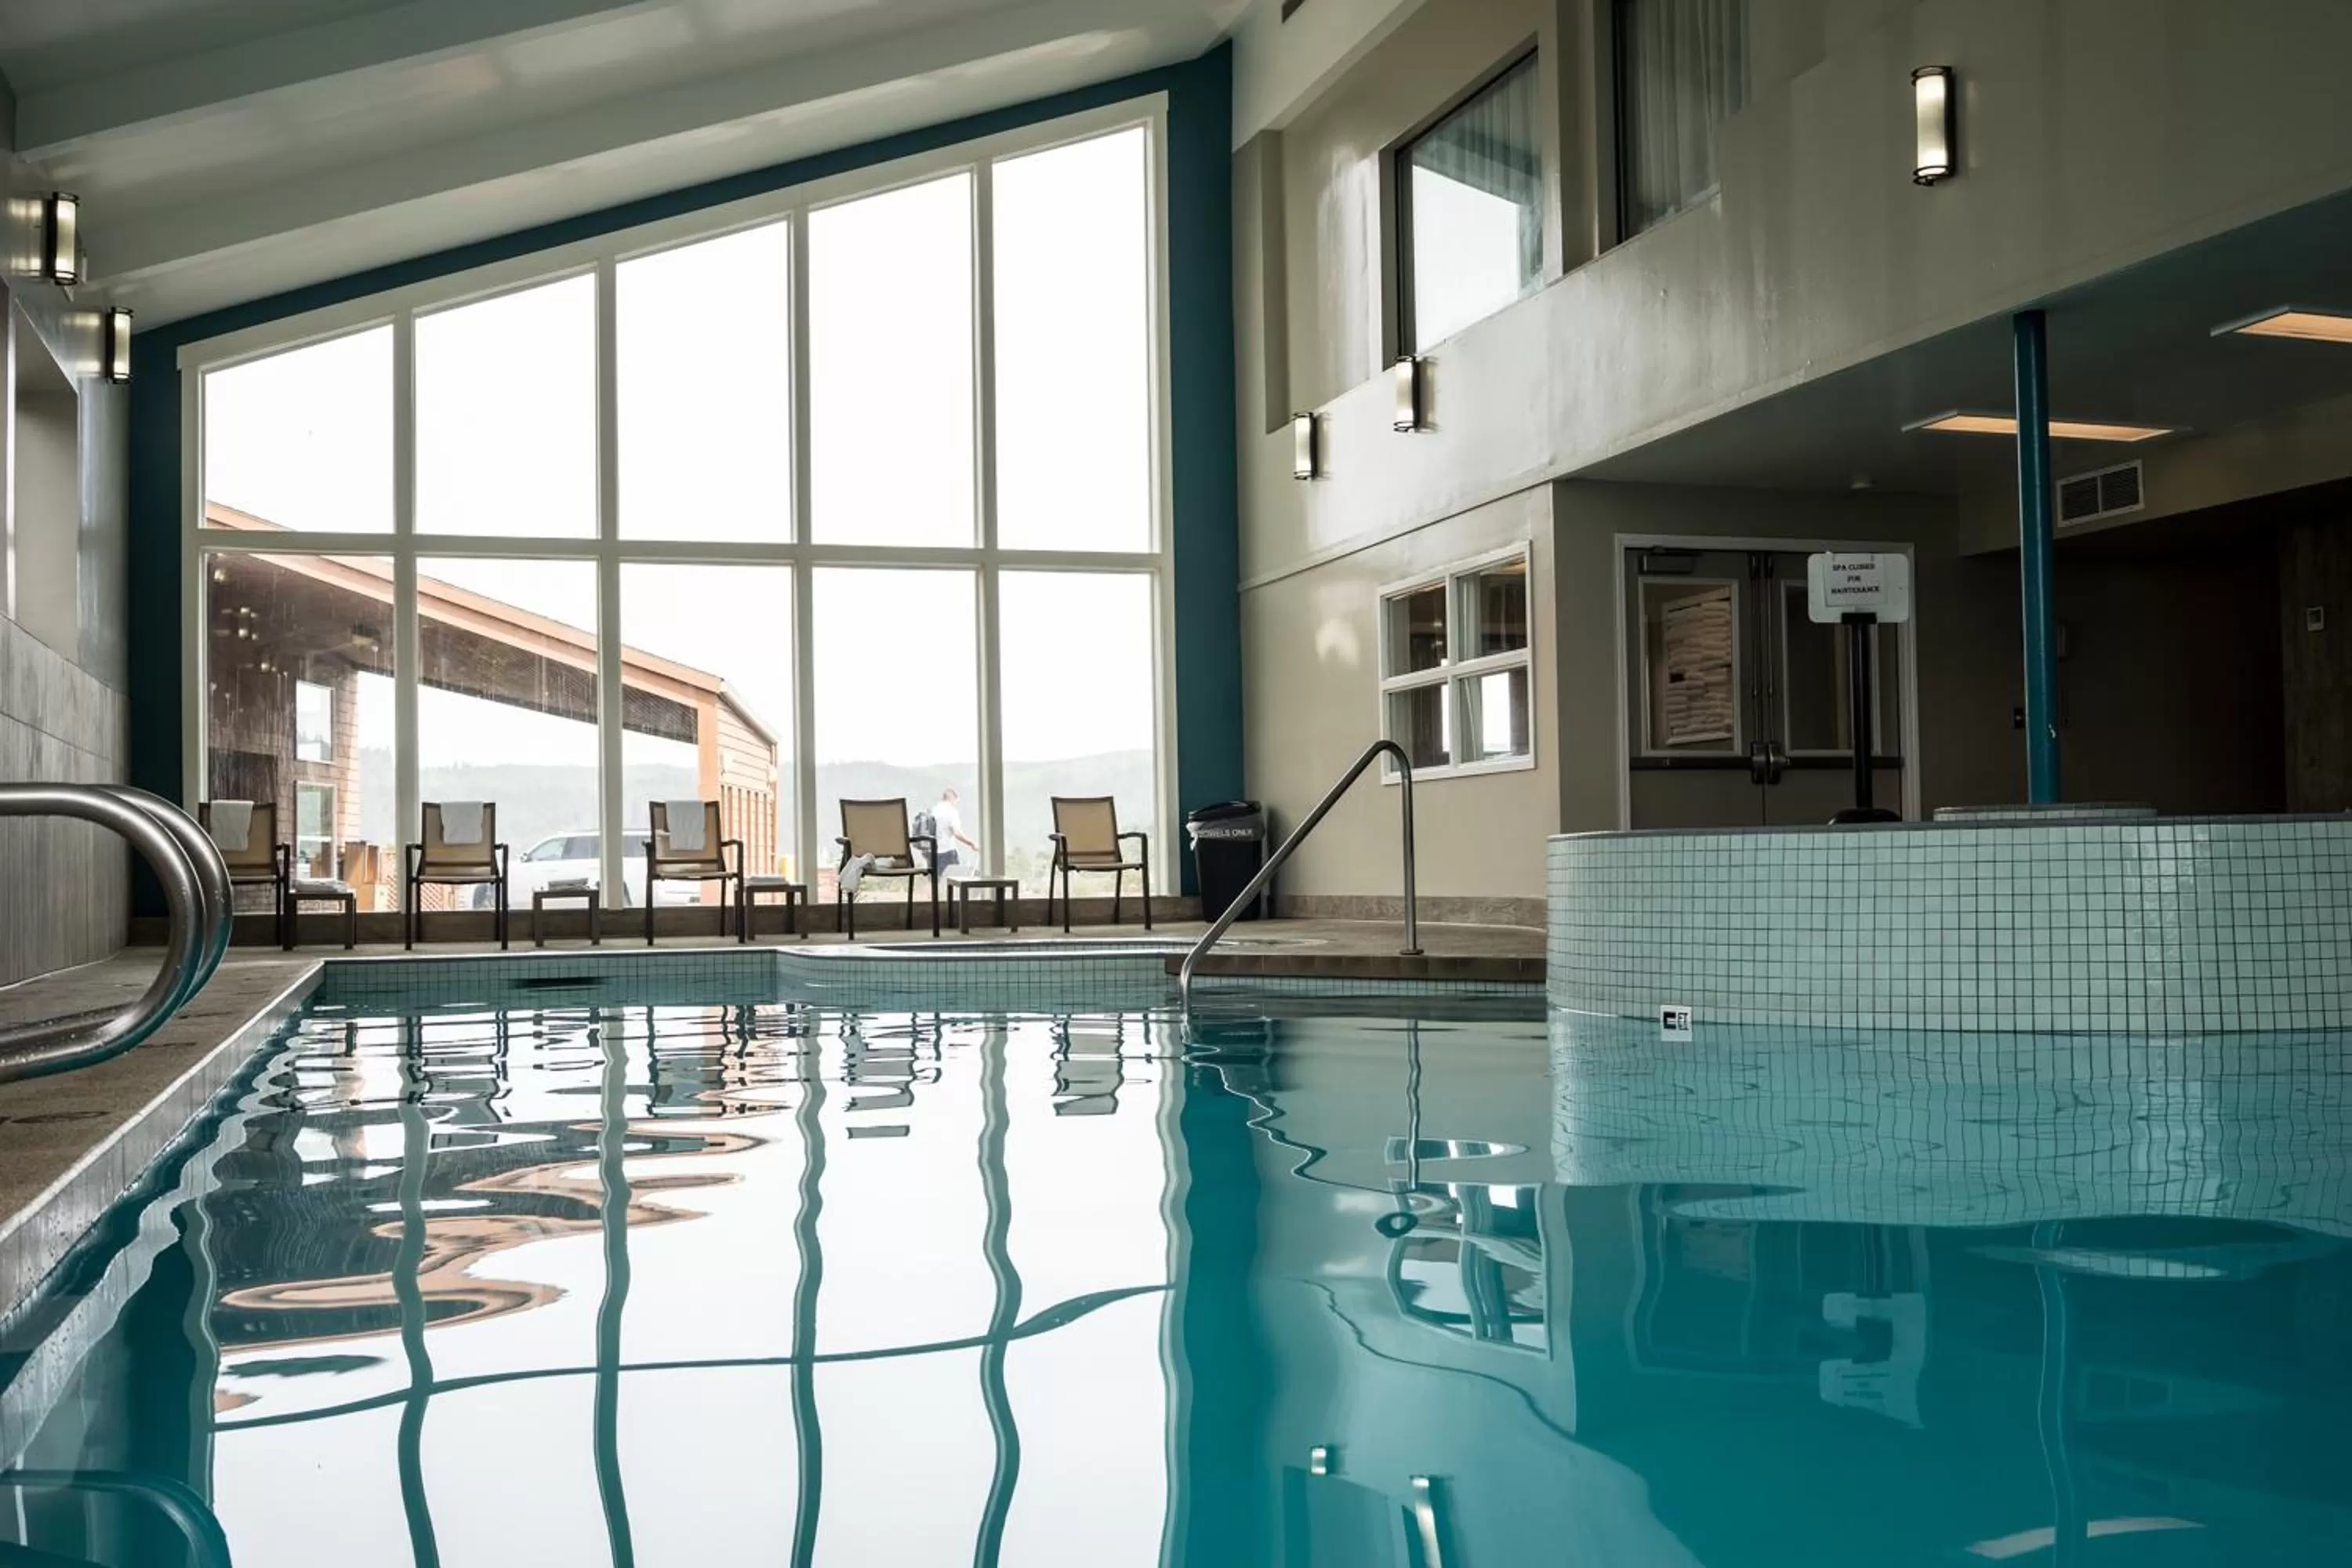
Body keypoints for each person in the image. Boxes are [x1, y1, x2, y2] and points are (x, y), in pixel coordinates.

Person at [930, 786, 979, 878]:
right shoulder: (951, 811)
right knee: (954, 881)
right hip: (948, 852)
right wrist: (972, 843)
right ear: (953, 799)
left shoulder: (934, 810)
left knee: (938, 881)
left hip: (934, 853)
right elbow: (957, 833)